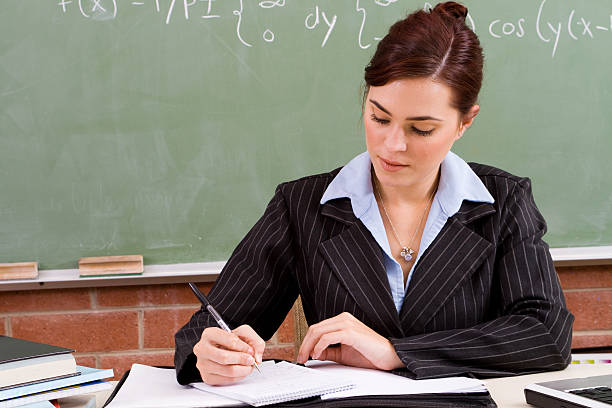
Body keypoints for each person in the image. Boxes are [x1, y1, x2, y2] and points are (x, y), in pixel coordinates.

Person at [174, 1, 573, 386]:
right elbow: (204, 333)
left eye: (421, 129)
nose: (391, 144)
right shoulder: (302, 206)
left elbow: (545, 333)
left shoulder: (503, 203)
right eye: (379, 117)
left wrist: (396, 351)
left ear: (465, 122)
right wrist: (209, 354)